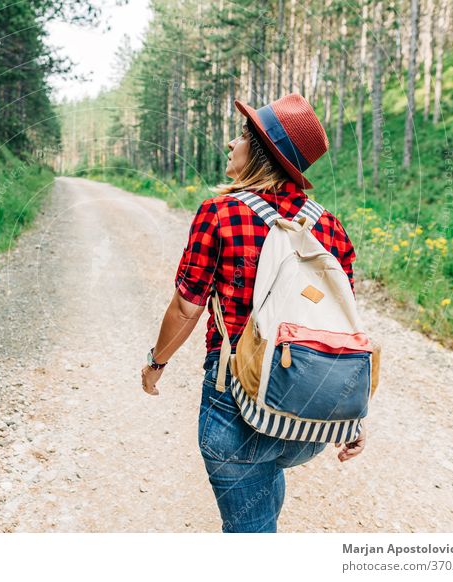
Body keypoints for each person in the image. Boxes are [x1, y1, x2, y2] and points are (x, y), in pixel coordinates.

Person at [140, 92, 367, 533]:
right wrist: (352, 415)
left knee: (251, 534)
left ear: (260, 153)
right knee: (264, 494)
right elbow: (344, 325)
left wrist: (156, 362)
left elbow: (187, 308)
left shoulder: (219, 213)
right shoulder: (329, 225)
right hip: (308, 412)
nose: (231, 144)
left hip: (237, 406)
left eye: (242, 136)